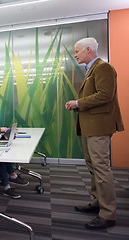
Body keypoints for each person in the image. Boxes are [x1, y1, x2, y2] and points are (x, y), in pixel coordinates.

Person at [65, 37, 124, 229]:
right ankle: (97, 203)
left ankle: (108, 214)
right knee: (93, 167)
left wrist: (78, 103)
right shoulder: (92, 69)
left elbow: (105, 94)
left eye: (77, 51)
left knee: (101, 168)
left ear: (88, 50)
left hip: (99, 126)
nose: (75, 55)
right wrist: (77, 105)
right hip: (91, 125)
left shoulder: (103, 67)